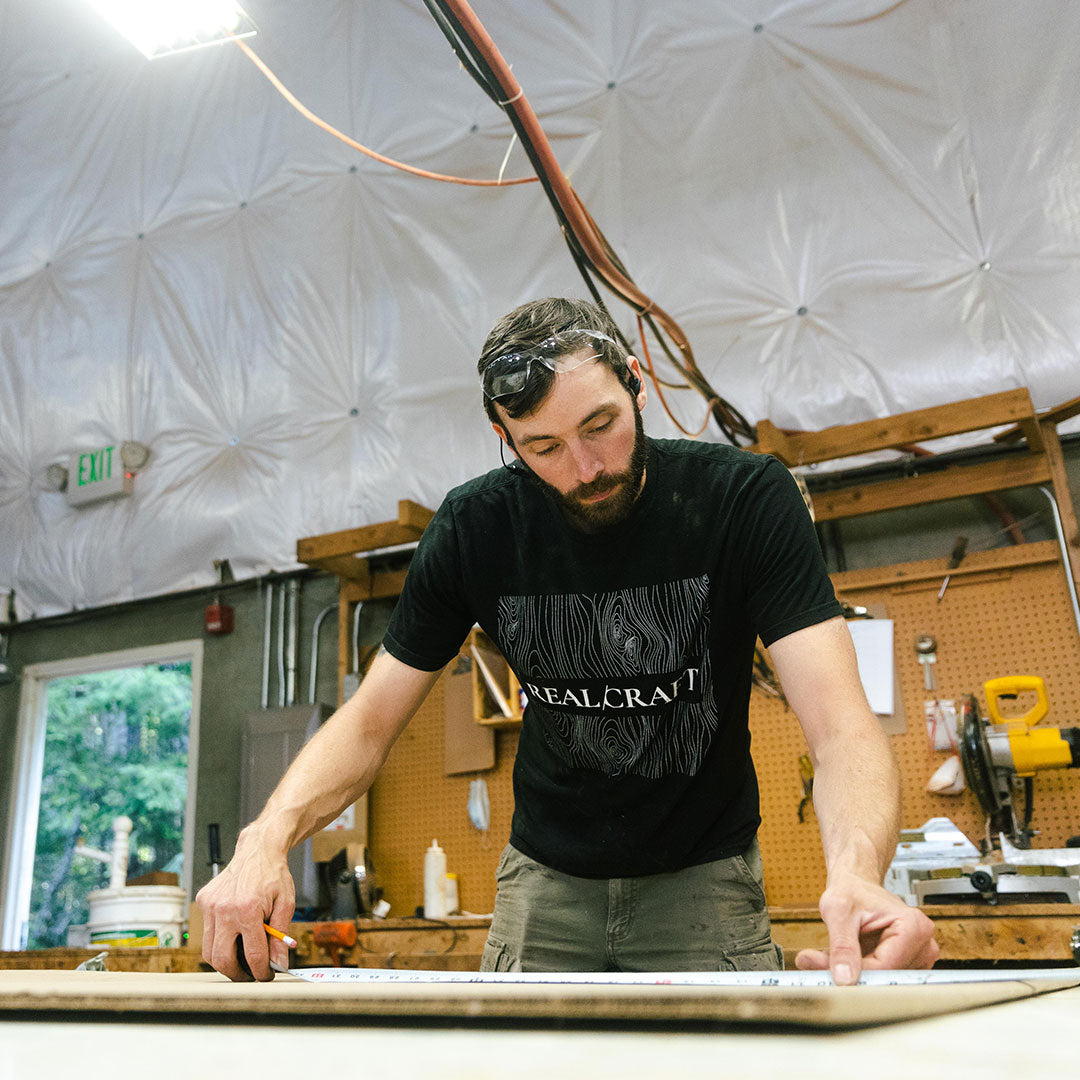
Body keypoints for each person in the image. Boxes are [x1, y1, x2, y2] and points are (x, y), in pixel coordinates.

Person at [197, 297, 938, 982]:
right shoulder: (475, 528)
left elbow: (840, 728)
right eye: (542, 447)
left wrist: (859, 873)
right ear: (504, 437)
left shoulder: (743, 501)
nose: (585, 471)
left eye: (600, 425)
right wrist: (264, 840)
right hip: (544, 887)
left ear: (636, 384)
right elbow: (368, 723)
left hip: (703, 878)